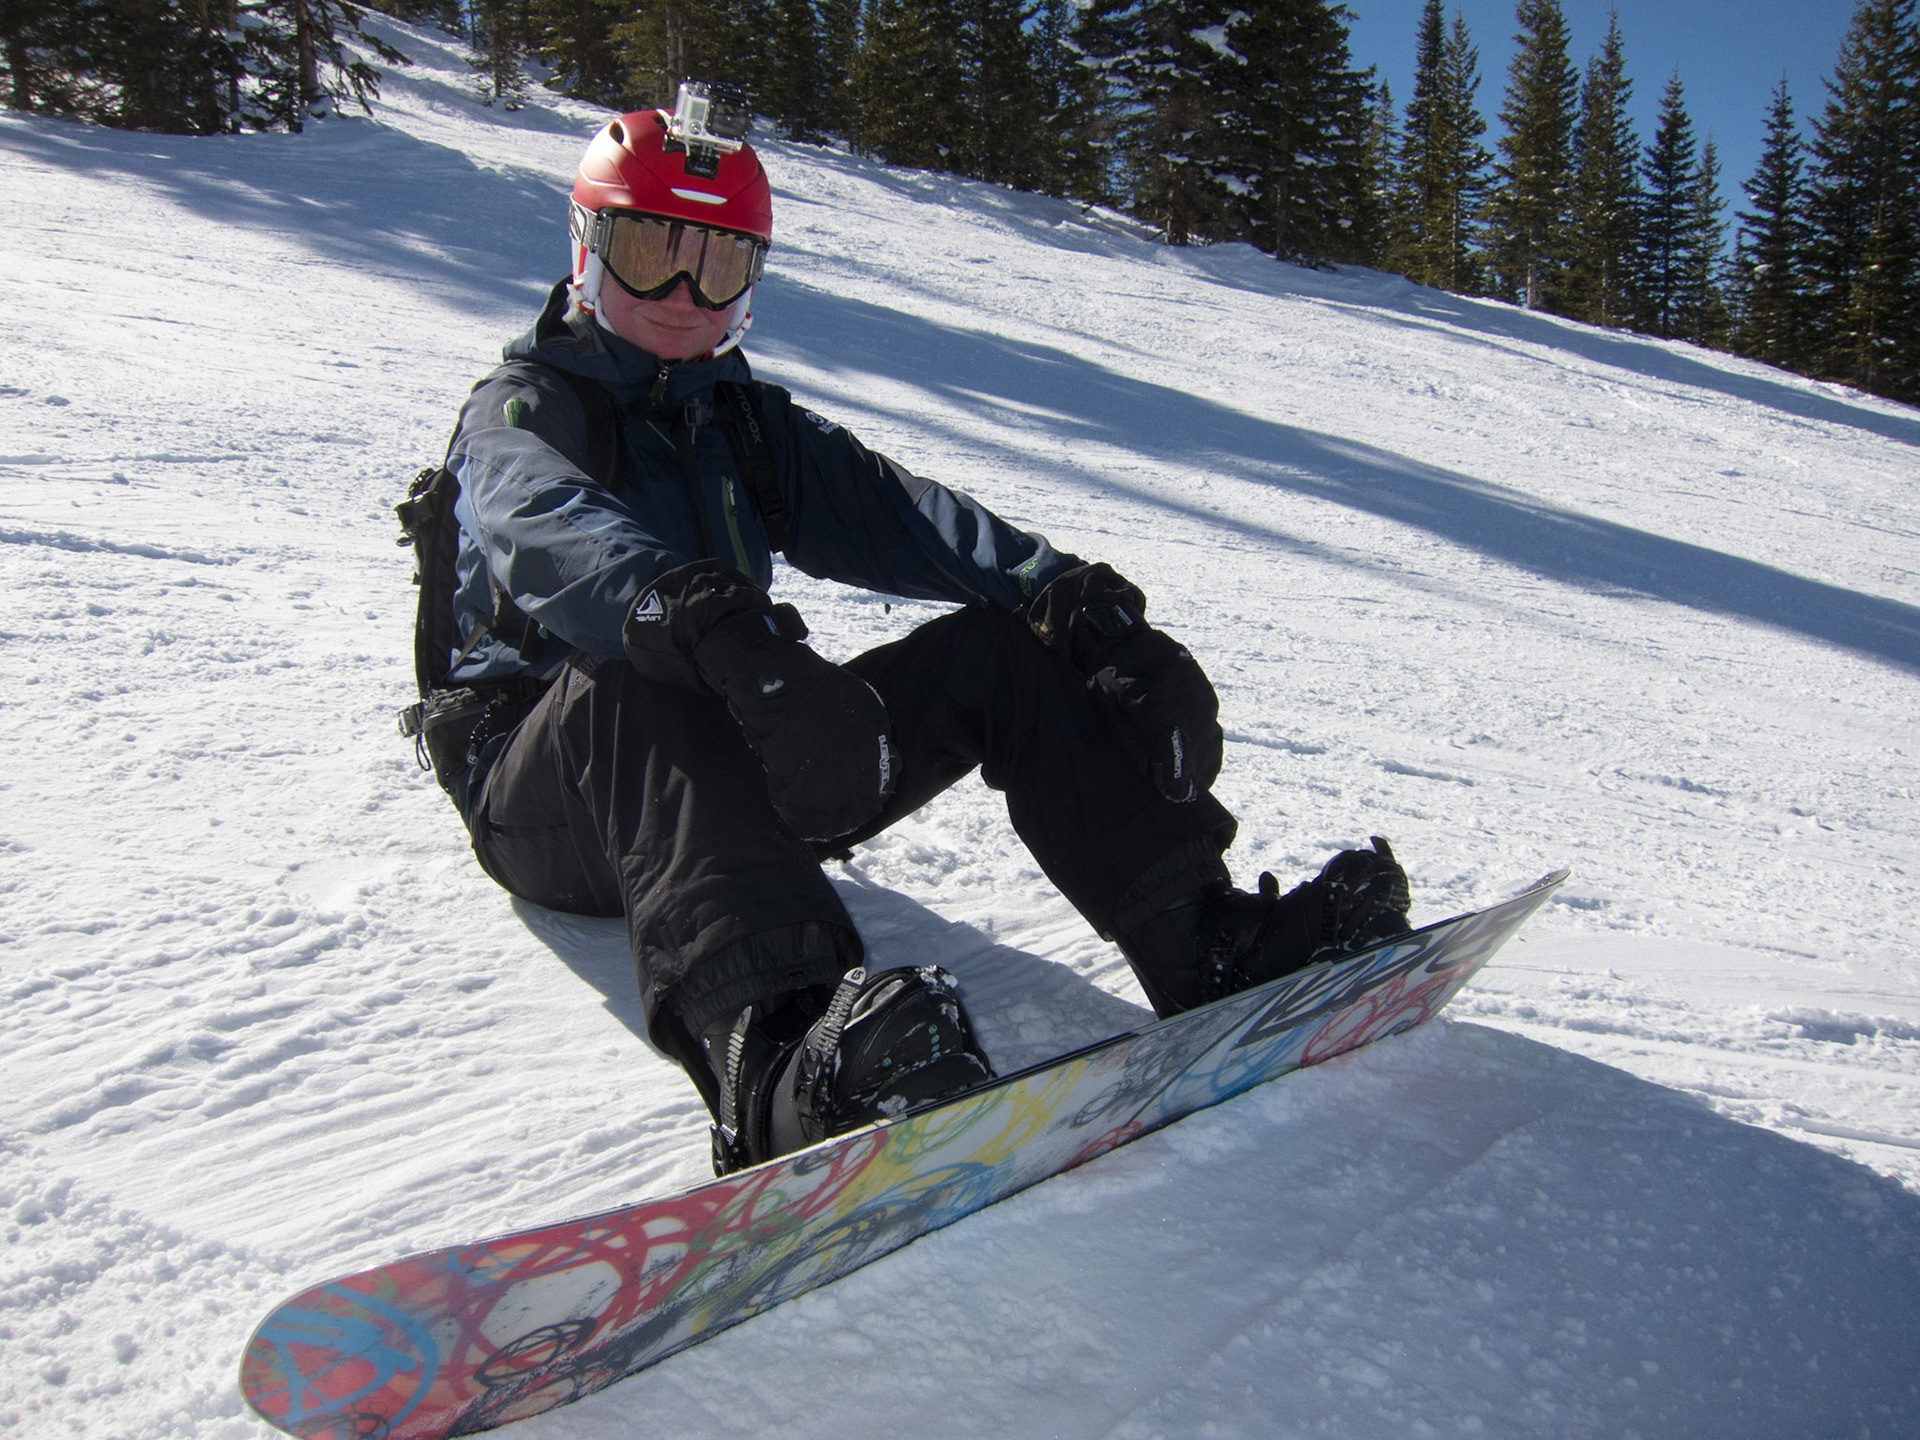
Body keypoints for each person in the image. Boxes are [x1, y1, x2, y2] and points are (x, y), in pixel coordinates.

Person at [432, 87, 1413, 1176]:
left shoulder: (743, 426)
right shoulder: (523, 410)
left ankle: (1203, 942)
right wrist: (708, 629)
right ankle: (785, 1072)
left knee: (1001, 647)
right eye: (648, 248)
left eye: (713, 263)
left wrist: (1079, 606)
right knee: (639, 675)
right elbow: (542, 527)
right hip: (557, 797)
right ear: (587, 248)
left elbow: (910, 518)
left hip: (724, 765)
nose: (679, 291)